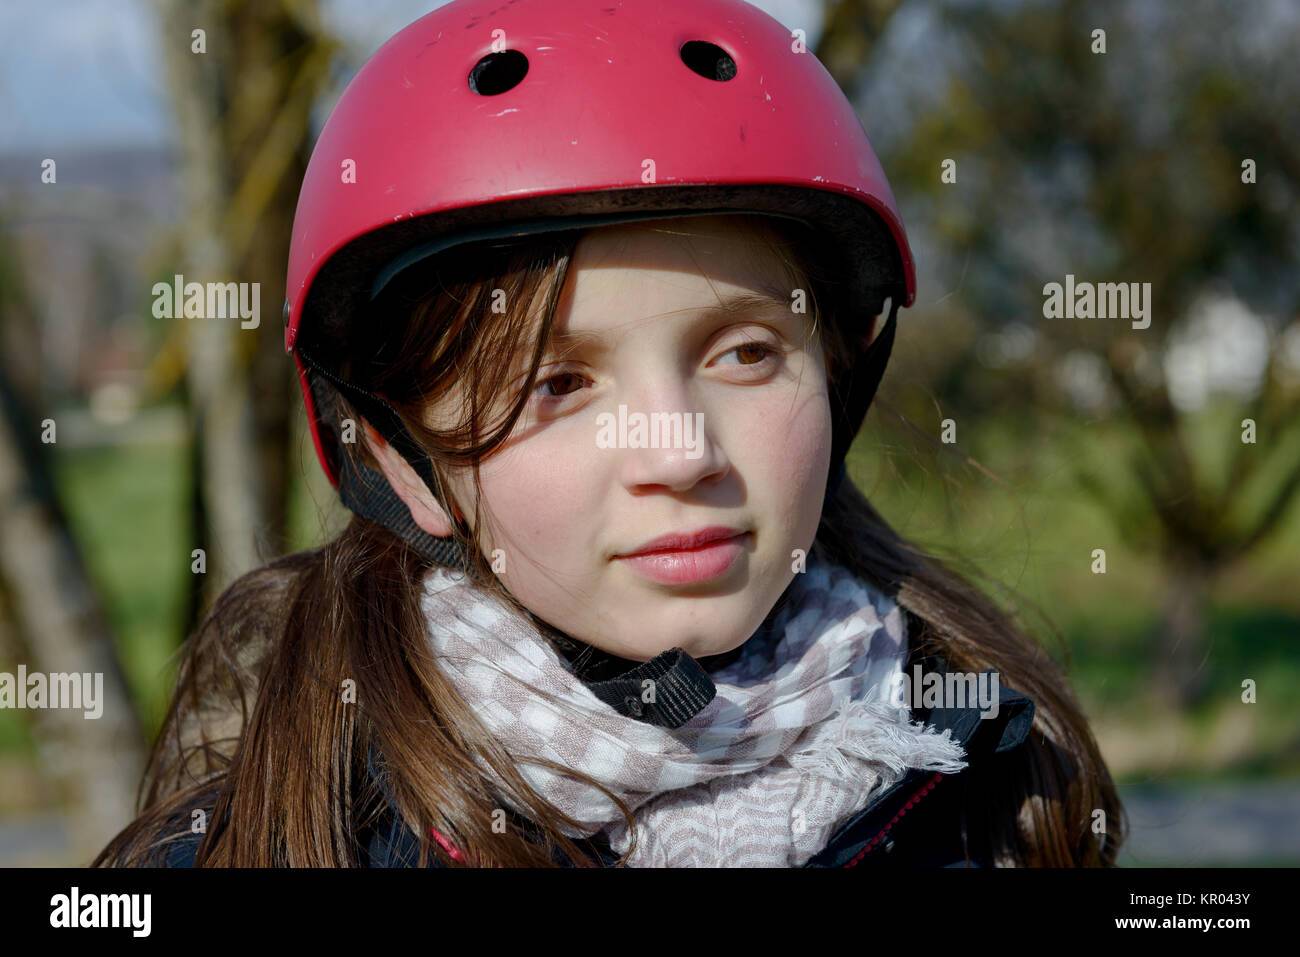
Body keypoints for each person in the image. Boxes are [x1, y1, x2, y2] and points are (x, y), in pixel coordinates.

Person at [94, 0, 1124, 868]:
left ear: (839, 370)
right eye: (555, 383)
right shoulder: (276, 844)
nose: (680, 452)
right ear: (401, 460)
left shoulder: (998, 783)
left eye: (748, 354)